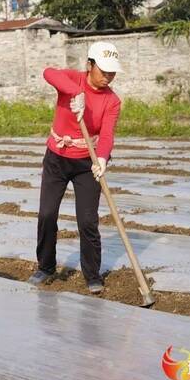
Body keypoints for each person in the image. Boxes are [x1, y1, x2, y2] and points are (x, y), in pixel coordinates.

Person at [28, 42, 122, 294]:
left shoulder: (112, 101)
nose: (108, 77)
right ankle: (46, 266)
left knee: (88, 221)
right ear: (89, 65)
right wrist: (75, 93)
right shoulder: (72, 79)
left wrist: (102, 159)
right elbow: (49, 72)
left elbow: (107, 134)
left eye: (112, 73)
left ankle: (92, 273)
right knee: (47, 214)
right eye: (103, 71)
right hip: (57, 158)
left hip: (86, 163)